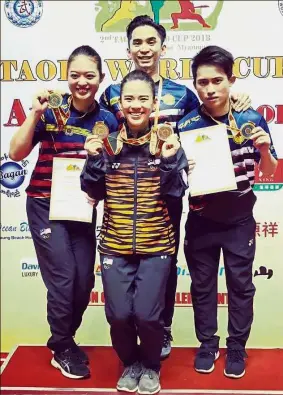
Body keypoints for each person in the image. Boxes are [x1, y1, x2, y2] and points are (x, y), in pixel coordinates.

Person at [100, 15, 252, 359]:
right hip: (124, 193)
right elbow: (102, 131)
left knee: (162, 262)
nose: (144, 48)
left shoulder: (182, 94)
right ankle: (131, 336)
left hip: (167, 190)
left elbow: (211, 117)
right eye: (137, 42)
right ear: (128, 50)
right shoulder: (112, 93)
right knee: (126, 263)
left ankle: (161, 327)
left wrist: (239, 98)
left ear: (163, 47)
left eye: (150, 41)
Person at [9, 45, 118, 379]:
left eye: (89, 75)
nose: (81, 82)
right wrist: (34, 113)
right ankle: (61, 344)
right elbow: (15, 152)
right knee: (64, 277)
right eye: (75, 75)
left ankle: (64, 339)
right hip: (44, 204)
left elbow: (109, 168)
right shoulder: (52, 111)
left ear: (100, 79)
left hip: (82, 206)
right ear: (67, 77)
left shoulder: (108, 120)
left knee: (84, 280)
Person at [81, 70, 188, 394]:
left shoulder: (167, 143)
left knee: (148, 316)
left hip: (156, 246)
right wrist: (94, 159)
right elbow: (92, 191)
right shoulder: (108, 144)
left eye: (143, 99)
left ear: (154, 103)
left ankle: (152, 366)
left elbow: (177, 194)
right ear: (120, 104)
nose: (136, 105)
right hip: (114, 246)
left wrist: (170, 162)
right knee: (119, 316)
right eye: (129, 99)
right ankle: (131, 363)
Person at [178, 45, 278, 379]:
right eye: (202, 82)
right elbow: (176, 171)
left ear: (231, 80)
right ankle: (208, 344)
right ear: (195, 85)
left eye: (217, 80)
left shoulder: (250, 118)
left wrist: (264, 149)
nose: (209, 89)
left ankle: (237, 345)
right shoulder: (187, 122)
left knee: (240, 286)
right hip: (201, 218)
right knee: (202, 286)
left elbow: (270, 167)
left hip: (239, 220)